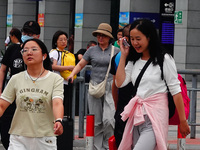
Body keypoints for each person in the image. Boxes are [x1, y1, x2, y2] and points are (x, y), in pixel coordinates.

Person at [115, 19, 190, 150]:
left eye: (138, 39)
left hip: (156, 116)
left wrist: (183, 121)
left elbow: (176, 91)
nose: (134, 43)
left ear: (149, 37)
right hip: (137, 117)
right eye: (132, 39)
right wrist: (123, 56)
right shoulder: (134, 60)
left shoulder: (164, 59)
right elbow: (120, 83)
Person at [0, 38, 64, 150]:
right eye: (25, 50)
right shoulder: (16, 79)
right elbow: (2, 105)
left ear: (44, 56)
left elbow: (57, 103)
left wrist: (58, 120)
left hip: (45, 137)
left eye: (34, 49)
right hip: (19, 137)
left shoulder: (55, 79)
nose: (29, 52)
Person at [67, 23, 120, 150]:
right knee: (96, 121)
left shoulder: (116, 51)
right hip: (94, 86)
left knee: (109, 120)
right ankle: (96, 147)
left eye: (103, 35)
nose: (100, 38)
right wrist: (72, 75)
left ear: (109, 37)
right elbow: (80, 65)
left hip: (110, 86)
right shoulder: (91, 50)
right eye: (99, 35)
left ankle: (108, 146)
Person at [0, 21, 41, 149]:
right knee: (6, 122)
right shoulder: (13, 49)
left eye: (30, 34)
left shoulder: (40, 51)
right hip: (13, 94)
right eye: (24, 33)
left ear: (37, 36)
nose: (26, 35)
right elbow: (3, 69)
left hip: (32, 95)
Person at [110, 24, 133, 147]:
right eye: (131, 37)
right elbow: (115, 84)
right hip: (124, 108)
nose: (134, 41)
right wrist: (116, 104)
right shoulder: (119, 57)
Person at [49, 30, 75, 117]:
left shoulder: (66, 53)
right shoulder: (54, 52)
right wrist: (69, 68)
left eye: (65, 39)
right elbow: (53, 66)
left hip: (65, 82)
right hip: (57, 82)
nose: (64, 42)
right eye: (61, 40)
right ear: (55, 41)